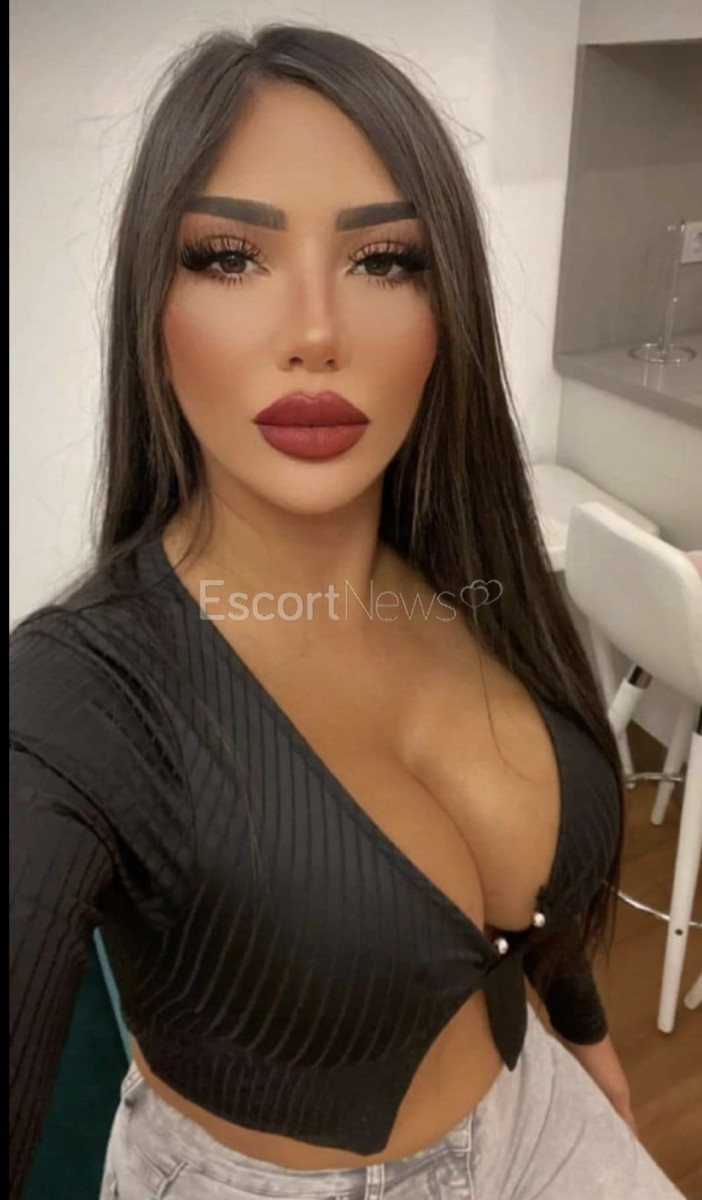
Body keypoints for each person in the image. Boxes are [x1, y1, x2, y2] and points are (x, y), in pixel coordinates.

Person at [9, 22, 686, 1200]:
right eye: (230, 256)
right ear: (152, 308)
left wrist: (583, 1035)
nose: (316, 333)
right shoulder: (77, 697)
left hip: (536, 1106)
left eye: (383, 260)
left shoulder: (477, 577)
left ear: (444, 308)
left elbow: (525, 883)